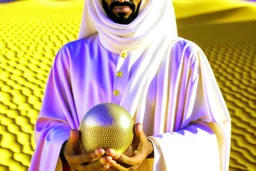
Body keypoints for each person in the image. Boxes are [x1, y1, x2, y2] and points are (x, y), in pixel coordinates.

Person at [30, 0, 231, 170]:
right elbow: (49, 127)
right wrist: (65, 148)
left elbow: (211, 133)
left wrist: (153, 148)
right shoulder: (71, 56)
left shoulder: (185, 56)